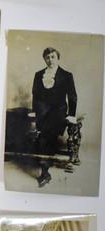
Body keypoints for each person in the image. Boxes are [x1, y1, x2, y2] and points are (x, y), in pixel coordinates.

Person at [32, 47, 77, 187]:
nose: (50, 60)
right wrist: (36, 111)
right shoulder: (39, 75)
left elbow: (72, 96)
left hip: (58, 112)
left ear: (58, 58)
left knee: (45, 135)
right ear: (44, 59)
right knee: (43, 135)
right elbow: (36, 95)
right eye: (47, 57)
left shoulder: (66, 75)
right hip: (42, 112)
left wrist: (71, 115)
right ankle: (45, 167)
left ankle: (45, 172)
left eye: (52, 57)